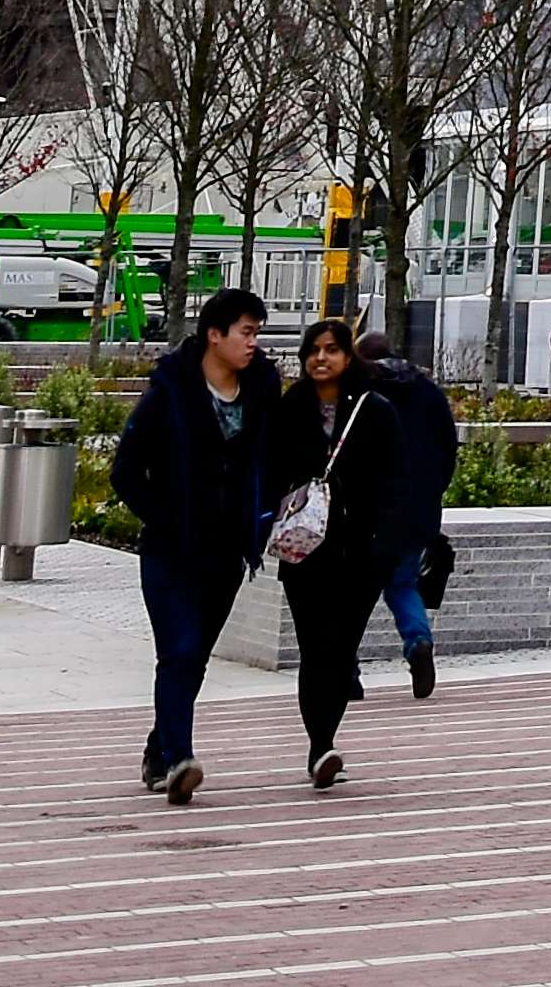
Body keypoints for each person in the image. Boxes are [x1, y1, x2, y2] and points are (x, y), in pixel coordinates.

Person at [110, 287, 300, 806]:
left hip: (228, 550)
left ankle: (158, 749)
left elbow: (277, 457)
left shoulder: (262, 389)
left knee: (192, 660)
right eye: (245, 332)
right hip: (171, 550)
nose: (253, 344)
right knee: (179, 650)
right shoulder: (170, 391)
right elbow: (125, 471)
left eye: (257, 333)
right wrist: (166, 517)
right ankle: (180, 759)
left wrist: (265, 516)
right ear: (214, 335)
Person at [281, 319, 433, 790]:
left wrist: (384, 548)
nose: (321, 358)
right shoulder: (290, 409)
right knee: (314, 650)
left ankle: (324, 740)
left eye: (331, 350)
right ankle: (319, 746)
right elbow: (270, 470)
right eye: (313, 350)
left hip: (359, 555)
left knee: (340, 650)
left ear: (349, 357)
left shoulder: (375, 410)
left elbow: (397, 482)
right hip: (305, 553)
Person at [363, 332, 461, 701]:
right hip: (419, 509)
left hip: (372, 511)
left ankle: (346, 672)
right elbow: (448, 447)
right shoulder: (428, 391)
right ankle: (418, 642)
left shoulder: (365, 392)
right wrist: (433, 491)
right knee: (402, 584)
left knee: (355, 590)